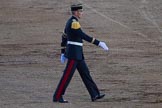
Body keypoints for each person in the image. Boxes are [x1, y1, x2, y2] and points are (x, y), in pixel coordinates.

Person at [53, 3, 109, 103]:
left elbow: (64, 37)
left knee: (86, 74)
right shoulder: (74, 22)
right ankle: (57, 96)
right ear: (76, 12)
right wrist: (98, 43)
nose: (82, 13)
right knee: (67, 76)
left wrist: (62, 52)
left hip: (77, 54)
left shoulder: (69, 21)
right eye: (80, 11)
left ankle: (94, 94)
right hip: (74, 54)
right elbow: (82, 35)